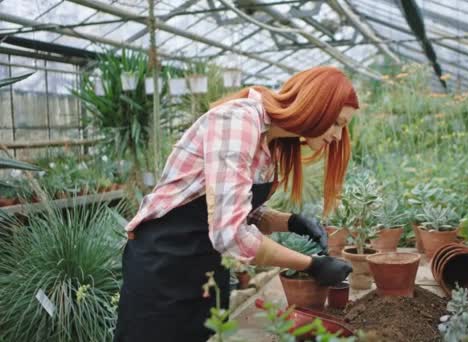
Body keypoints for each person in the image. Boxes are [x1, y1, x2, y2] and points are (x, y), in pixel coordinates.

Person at [114, 66, 358, 341]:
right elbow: (230, 234)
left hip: (205, 268)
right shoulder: (239, 122)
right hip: (165, 265)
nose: (338, 136)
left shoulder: (274, 140)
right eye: (337, 123)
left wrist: (291, 222)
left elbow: (238, 210)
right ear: (317, 106)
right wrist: (312, 265)